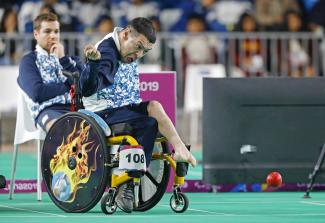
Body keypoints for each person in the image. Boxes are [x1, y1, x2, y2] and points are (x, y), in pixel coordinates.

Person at [80, 17, 197, 213]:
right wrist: (93, 64)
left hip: (123, 107)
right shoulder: (108, 51)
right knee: (147, 124)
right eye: (139, 47)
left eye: (145, 51)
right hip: (102, 112)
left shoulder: (126, 48)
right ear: (125, 34)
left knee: (155, 106)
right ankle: (126, 181)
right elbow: (87, 88)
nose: (139, 54)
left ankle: (178, 147)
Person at [17, 12, 83, 131]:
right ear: (36, 34)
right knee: (59, 128)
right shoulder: (29, 61)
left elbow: (84, 86)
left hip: (77, 109)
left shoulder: (71, 60)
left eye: (56, 31)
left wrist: (63, 60)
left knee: (98, 127)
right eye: (47, 31)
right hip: (48, 111)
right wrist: (69, 85)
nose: (53, 36)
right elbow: (37, 93)